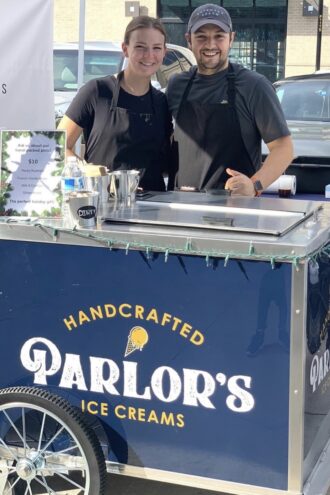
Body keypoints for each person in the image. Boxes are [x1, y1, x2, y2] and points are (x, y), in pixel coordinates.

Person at [166, 4, 294, 195]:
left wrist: (255, 185)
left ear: (231, 39)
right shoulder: (177, 85)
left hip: (235, 209)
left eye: (219, 36)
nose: (210, 45)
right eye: (201, 36)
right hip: (181, 203)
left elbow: (283, 148)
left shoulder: (254, 86)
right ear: (189, 40)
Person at [58, 16, 172, 191]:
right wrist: (84, 169)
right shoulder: (97, 91)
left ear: (164, 52)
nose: (149, 55)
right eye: (140, 47)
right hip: (103, 203)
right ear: (125, 49)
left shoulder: (161, 101)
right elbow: (57, 145)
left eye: (156, 48)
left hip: (153, 206)